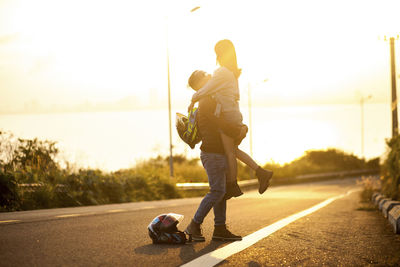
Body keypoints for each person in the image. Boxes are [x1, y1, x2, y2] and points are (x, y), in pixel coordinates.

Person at [188, 39, 273, 199]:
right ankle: (261, 172)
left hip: (228, 116)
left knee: (229, 152)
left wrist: (193, 99)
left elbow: (206, 89)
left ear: (220, 54)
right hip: (234, 114)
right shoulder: (231, 73)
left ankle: (232, 185)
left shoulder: (221, 73)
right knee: (233, 150)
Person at [184, 93, 247, 242]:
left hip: (218, 153)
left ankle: (219, 229)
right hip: (212, 154)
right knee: (218, 191)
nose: (209, 77)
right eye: (205, 76)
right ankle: (194, 225)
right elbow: (222, 125)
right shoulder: (206, 102)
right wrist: (242, 129)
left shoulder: (210, 100)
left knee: (221, 192)